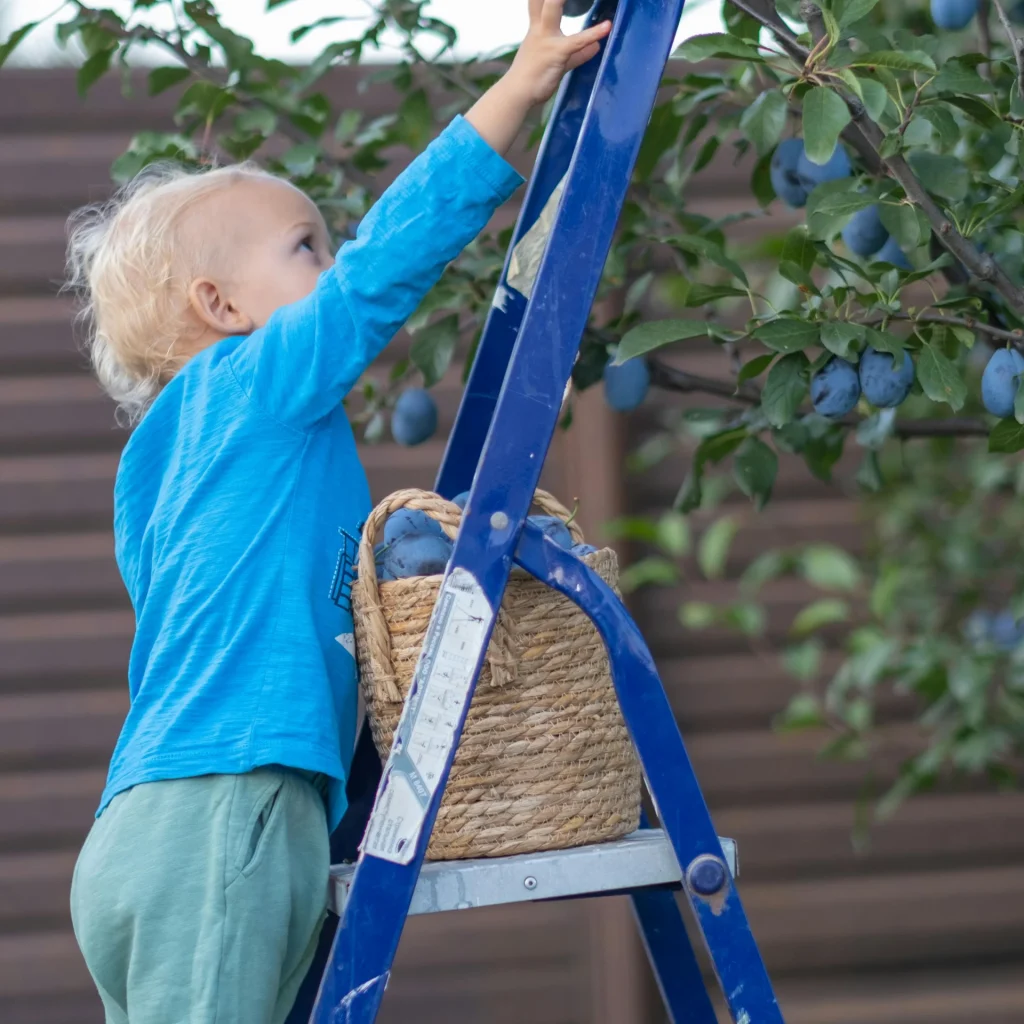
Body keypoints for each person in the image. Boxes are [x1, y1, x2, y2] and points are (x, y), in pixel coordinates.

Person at [65, 2, 611, 1022]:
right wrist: (520, 86)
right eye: (305, 245)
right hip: (227, 811)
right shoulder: (251, 385)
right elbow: (379, 272)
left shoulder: (157, 470)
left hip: (147, 828)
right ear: (220, 308)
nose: (330, 259)